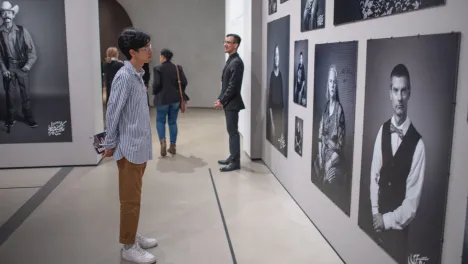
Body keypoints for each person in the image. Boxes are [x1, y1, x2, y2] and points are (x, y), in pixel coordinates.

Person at [101, 28, 157, 264]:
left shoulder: (137, 73)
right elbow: (113, 112)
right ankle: (127, 245)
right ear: (132, 52)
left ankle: (132, 234)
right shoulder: (124, 76)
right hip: (129, 148)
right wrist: (110, 143)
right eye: (146, 47)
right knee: (130, 200)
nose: (150, 50)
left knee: (135, 196)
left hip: (139, 146)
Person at [369, 63, 426, 263]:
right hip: (375, 228)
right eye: (395, 90)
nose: (399, 97)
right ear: (389, 93)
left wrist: (386, 220)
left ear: (409, 93)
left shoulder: (418, 145)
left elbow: (411, 204)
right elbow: (374, 176)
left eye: (403, 91)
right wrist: (376, 213)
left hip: (398, 237)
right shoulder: (382, 130)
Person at [0, 1, 37, 128]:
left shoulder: (22, 31)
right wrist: (4, 69)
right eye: (3, 13)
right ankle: (10, 117)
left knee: (25, 94)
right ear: (1, 16)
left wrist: (27, 66)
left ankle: (28, 117)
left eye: (9, 12)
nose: (6, 15)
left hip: (22, 67)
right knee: (10, 95)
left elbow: (32, 51)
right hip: (9, 68)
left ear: (13, 15)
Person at [216, 33, 245, 172]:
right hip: (229, 103)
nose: (225, 44)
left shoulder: (237, 62)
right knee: (231, 131)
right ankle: (232, 157)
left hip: (232, 103)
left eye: (228, 42)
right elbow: (226, 84)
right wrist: (220, 97)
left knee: (233, 132)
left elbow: (233, 86)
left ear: (235, 45)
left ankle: (235, 162)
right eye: (225, 41)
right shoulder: (231, 60)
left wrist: (222, 99)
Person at [313, 65, 346, 185]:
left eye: (334, 82)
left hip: (334, 160)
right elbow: (320, 135)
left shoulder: (339, 111)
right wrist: (321, 158)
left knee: (329, 179)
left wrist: (329, 163)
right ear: (328, 83)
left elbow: (340, 147)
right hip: (323, 156)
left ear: (337, 86)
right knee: (315, 168)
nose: (332, 85)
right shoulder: (326, 108)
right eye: (330, 81)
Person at [152, 48, 188, 156]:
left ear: (163, 56)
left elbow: (156, 84)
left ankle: (163, 142)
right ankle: (173, 146)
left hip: (162, 99)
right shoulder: (177, 68)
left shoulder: (157, 68)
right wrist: (178, 90)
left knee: (160, 121)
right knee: (172, 122)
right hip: (175, 99)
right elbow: (184, 82)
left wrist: (155, 92)